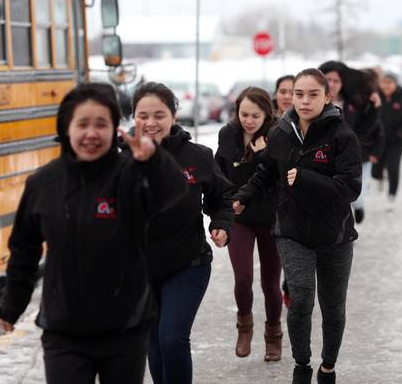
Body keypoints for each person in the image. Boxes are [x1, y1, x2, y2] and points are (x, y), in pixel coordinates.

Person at [0, 83, 187, 384]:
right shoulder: (44, 183)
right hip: (64, 331)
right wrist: (12, 303)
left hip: (125, 328)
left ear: (114, 129)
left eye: (101, 124)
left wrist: (154, 161)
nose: (91, 133)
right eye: (82, 124)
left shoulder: (131, 174)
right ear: (66, 128)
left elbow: (173, 192)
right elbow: (24, 247)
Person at [233, 68, 362, 384]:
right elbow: (266, 173)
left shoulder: (342, 136)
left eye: (313, 94)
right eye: (299, 94)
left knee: (333, 308)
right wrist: (243, 197)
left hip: (335, 234)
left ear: (327, 97)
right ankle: (302, 365)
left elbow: (350, 188)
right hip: (292, 229)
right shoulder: (281, 133)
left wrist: (307, 179)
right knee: (301, 298)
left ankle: (327, 367)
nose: (303, 101)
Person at [131, 82, 234, 384]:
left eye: (159, 115)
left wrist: (221, 224)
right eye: (143, 115)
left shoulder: (198, 156)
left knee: (173, 338)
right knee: (155, 342)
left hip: (187, 264)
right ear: (133, 117)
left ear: (174, 116)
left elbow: (222, 197)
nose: (151, 123)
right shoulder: (122, 158)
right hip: (140, 270)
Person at [214, 87, 282, 361]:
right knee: (243, 278)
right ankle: (244, 326)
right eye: (244, 114)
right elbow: (221, 173)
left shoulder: (278, 135)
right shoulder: (228, 135)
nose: (249, 121)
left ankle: (273, 335)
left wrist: (264, 154)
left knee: (270, 283)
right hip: (239, 216)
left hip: (270, 217)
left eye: (255, 115)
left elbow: (277, 177)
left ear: (267, 114)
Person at [318, 61, 382, 223]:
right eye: (328, 80)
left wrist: (374, 107)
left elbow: (367, 128)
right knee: (334, 196)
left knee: (356, 196)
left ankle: (358, 208)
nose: (331, 84)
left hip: (354, 157)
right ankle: (342, 231)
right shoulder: (314, 103)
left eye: (336, 81)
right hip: (325, 158)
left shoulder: (353, 103)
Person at [372, 72, 402, 208]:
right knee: (375, 170)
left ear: (395, 84)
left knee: (393, 168)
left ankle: (392, 195)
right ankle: (379, 178)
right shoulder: (374, 100)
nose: (386, 85)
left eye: (389, 82)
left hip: (395, 142)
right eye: (383, 82)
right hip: (377, 142)